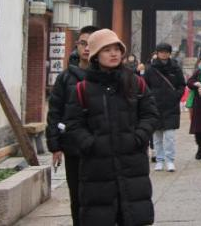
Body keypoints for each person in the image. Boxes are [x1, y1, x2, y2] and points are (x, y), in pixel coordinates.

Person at [64, 28, 159, 226]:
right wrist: (90, 144)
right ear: (95, 55)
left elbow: (150, 115)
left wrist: (138, 137)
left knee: (132, 217)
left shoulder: (136, 83)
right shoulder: (82, 89)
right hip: (97, 167)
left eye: (117, 49)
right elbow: (73, 123)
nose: (114, 54)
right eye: (107, 50)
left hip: (132, 163)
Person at [46, 25, 98, 226]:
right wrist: (55, 146)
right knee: (77, 194)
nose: (87, 48)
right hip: (73, 146)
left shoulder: (108, 76)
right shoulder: (65, 77)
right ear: (77, 45)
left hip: (100, 145)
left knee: (100, 196)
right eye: (83, 43)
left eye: (92, 44)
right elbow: (55, 111)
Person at [144, 42, 185, 172]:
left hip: (171, 107)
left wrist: (176, 96)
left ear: (169, 53)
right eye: (161, 52)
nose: (164, 54)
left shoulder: (175, 68)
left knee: (170, 136)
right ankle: (159, 160)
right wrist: (150, 99)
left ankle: (170, 160)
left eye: (166, 52)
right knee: (157, 137)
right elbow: (145, 86)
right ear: (157, 53)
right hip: (155, 107)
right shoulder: (150, 69)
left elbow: (181, 85)